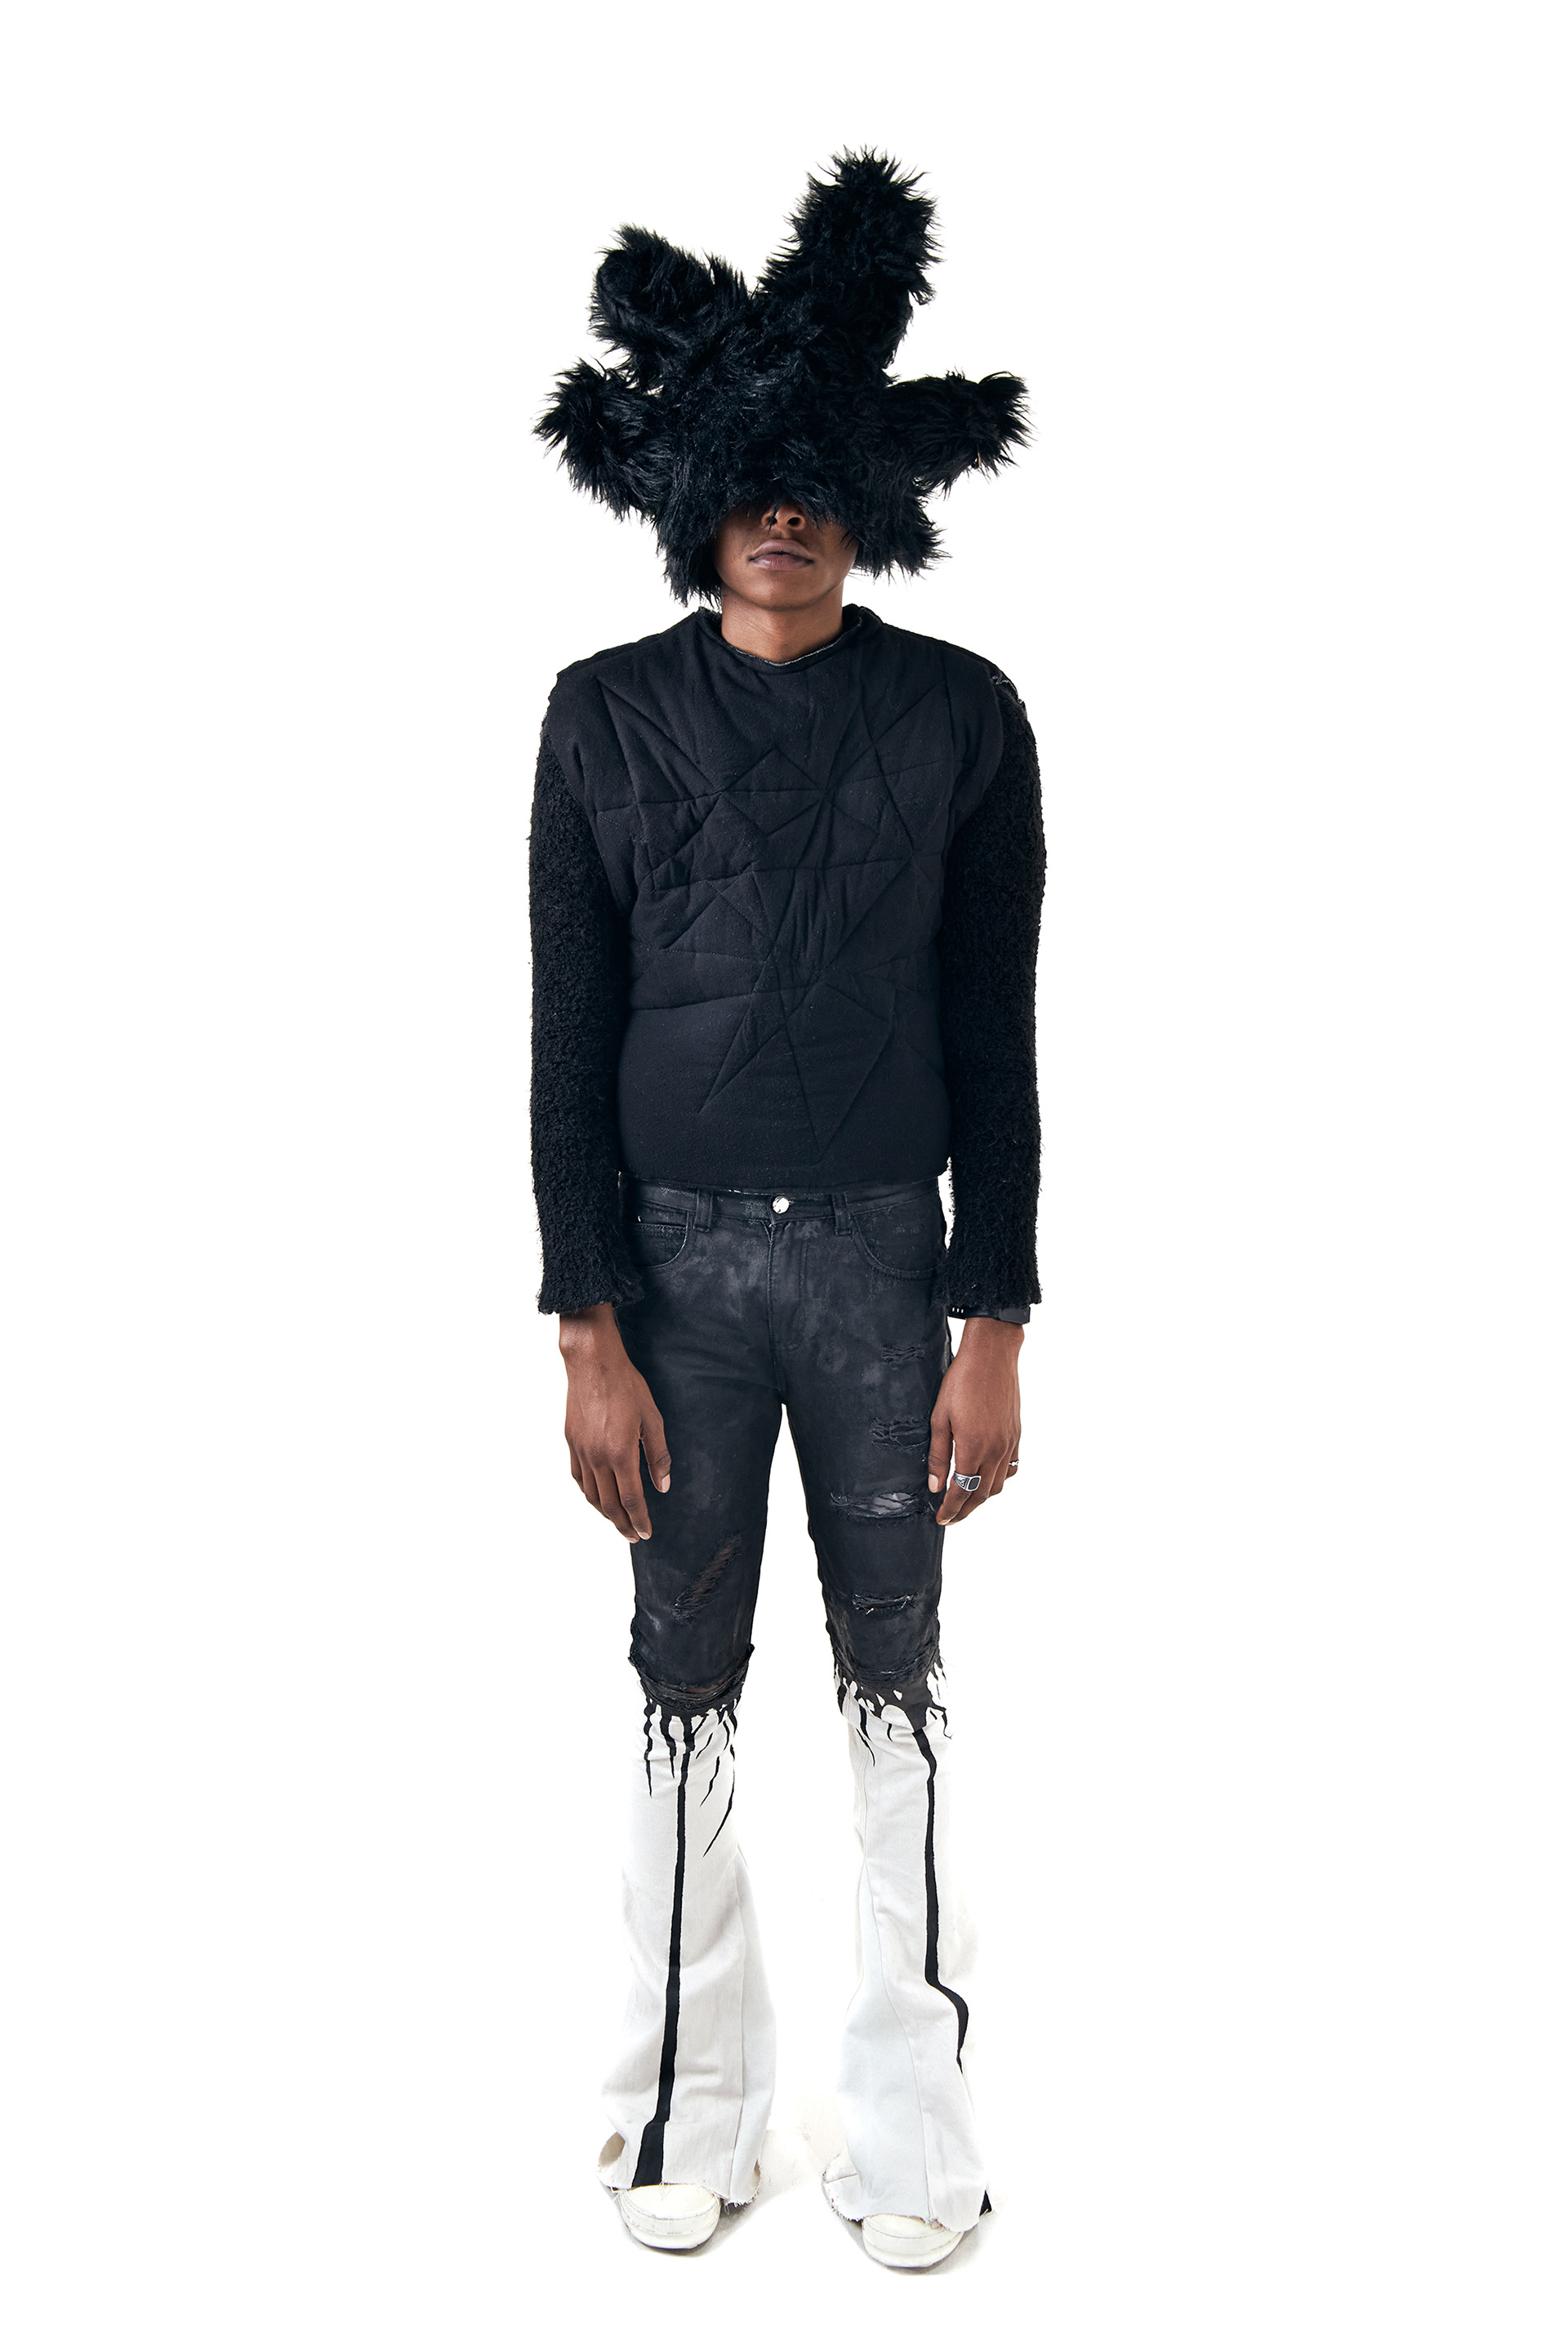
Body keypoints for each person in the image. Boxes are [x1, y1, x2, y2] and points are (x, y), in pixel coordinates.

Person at [529, 154, 1044, 2270]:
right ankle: (686, 2107)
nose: (784, 516)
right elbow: (567, 1035)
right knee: (683, 1674)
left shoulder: (963, 715)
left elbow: (995, 1030)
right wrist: (587, 1326)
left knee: (896, 1672)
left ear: (874, 497)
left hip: (880, 1262)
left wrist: (994, 1321)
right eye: (750, 481)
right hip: (668, 1268)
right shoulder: (601, 714)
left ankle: (912, 2125)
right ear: (689, 497)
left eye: (820, 481)